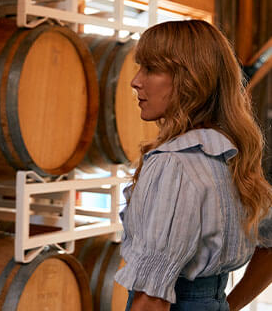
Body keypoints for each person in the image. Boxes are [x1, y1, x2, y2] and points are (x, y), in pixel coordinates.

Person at [114, 20, 272, 310]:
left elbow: (151, 301)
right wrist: (226, 305)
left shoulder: (173, 165)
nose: (136, 81)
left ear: (190, 80)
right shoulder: (230, 154)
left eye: (150, 69)